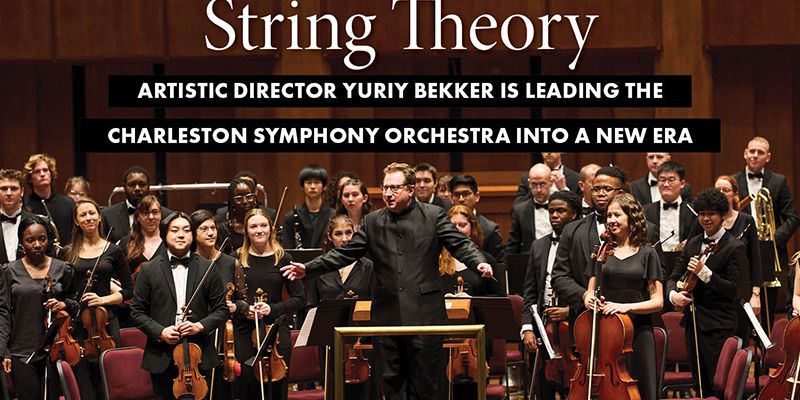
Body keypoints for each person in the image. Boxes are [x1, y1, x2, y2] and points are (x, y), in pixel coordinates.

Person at [281, 162, 493, 400]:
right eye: (385, 188)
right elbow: (344, 253)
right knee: (392, 386)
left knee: (425, 386)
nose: (388, 193)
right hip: (387, 315)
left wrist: (478, 261)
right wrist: (308, 268)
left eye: (395, 188)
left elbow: (460, 243)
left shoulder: (434, 215)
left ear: (410, 190)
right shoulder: (372, 221)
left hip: (425, 315)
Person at [551, 166, 660, 347]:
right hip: (586, 323)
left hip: (634, 324)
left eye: (607, 189)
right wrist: (584, 296)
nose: (600, 193)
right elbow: (559, 275)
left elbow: (658, 276)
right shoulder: (572, 230)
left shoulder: (648, 230)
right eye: (596, 189)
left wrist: (628, 302)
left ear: (621, 192)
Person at [130, 211, 228, 399]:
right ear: (164, 235)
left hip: (200, 355)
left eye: (186, 230)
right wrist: (161, 331)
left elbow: (222, 309)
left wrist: (199, 326)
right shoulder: (149, 269)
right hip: (162, 356)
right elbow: (137, 312)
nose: (181, 235)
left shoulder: (208, 268)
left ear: (193, 235)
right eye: (174, 230)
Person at [583, 193, 663, 400]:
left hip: (638, 331)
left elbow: (658, 301)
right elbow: (590, 289)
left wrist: (625, 307)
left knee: (643, 390)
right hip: (607, 331)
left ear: (631, 217)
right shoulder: (601, 251)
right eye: (609, 215)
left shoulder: (647, 253)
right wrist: (588, 298)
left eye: (617, 215)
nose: (611, 220)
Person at [667, 189, 746, 394]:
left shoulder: (734, 247)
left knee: (719, 384)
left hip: (719, 326)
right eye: (702, 214)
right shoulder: (693, 244)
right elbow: (673, 278)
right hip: (693, 324)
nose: (705, 218)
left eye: (711, 214)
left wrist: (705, 273)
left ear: (723, 215)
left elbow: (733, 290)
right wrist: (673, 295)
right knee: (699, 383)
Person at [230, 208, 304, 400]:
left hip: (276, 332)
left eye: (263, 225)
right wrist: (245, 309)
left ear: (271, 229)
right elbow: (228, 298)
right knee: (248, 387)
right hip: (245, 330)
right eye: (253, 226)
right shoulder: (235, 259)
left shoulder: (283, 258)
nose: (259, 230)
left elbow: (299, 298)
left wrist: (272, 308)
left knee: (277, 387)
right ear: (246, 231)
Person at [63, 197, 133, 400]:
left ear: (100, 216)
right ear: (76, 221)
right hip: (79, 326)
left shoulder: (113, 250)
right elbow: (64, 291)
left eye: (92, 213)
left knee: (110, 382)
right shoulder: (68, 252)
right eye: (83, 215)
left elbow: (129, 291)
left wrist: (103, 300)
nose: (88, 218)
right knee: (84, 384)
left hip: (107, 323)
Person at [1, 215, 75, 400]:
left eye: (42, 239)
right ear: (21, 242)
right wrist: (4, 350)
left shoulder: (64, 268)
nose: (37, 244)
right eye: (30, 240)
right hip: (21, 351)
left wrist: (64, 304)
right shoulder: (9, 271)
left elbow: (75, 302)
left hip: (56, 348)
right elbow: (4, 313)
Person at [520, 190, 581, 400]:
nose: (554, 215)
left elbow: (590, 287)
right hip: (543, 325)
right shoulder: (539, 245)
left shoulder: (582, 244)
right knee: (542, 385)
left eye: (561, 211)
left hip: (573, 328)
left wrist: (569, 311)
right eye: (551, 211)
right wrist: (527, 328)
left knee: (574, 386)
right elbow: (530, 291)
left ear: (574, 214)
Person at [306, 214, 375, 400]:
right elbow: (311, 306)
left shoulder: (368, 266)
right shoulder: (319, 267)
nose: (344, 239)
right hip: (330, 342)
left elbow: (375, 303)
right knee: (334, 390)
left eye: (348, 233)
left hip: (361, 342)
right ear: (330, 237)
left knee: (365, 391)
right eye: (338, 233)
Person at [731, 136, 800, 318]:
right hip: (742, 249)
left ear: (768, 157)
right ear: (745, 153)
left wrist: (772, 239)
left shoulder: (778, 181)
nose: (755, 155)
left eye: (760, 152)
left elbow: (793, 217)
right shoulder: (733, 181)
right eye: (752, 151)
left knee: (768, 308)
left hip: (770, 251)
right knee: (741, 304)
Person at [191, 209, 239, 400]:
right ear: (193, 232)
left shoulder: (230, 263)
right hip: (198, 331)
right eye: (204, 229)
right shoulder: (188, 262)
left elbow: (243, 300)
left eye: (213, 228)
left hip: (225, 335)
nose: (211, 233)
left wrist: (235, 306)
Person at [715, 175, 763, 338]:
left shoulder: (747, 220)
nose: (721, 193)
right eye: (718, 190)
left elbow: (755, 260)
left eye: (726, 190)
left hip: (741, 292)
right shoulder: (707, 220)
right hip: (714, 293)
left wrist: (756, 295)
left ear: (735, 195)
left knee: (740, 340)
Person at [643, 161, 698, 281]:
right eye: (662, 180)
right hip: (654, 263)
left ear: (682, 183)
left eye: (671, 180)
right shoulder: (645, 211)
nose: (666, 184)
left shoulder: (693, 211)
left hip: (683, 266)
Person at [439, 205, 502, 297]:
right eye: (452, 226)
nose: (457, 229)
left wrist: (472, 300)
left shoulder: (486, 261)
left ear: (472, 228)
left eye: (462, 225)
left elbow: (499, 297)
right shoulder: (435, 259)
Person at [102, 166, 171, 244]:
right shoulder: (107, 215)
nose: (137, 188)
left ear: (148, 186)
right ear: (124, 187)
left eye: (142, 184)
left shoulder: (167, 216)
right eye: (131, 185)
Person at [449, 175, 507, 264]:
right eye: (457, 195)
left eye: (465, 194)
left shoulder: (490, 229)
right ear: (451, 198)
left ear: (477, 196)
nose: (461, 199)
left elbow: (500, 265)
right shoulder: (443, 224)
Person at [23, 153, 75, 248]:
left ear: (51, 174)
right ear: (30, 178)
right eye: (37, 171)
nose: (42, 174)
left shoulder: (68, 203)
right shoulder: (24, 205)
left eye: (45, 170)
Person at [281, 165, 335, 249]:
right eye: (308, 182)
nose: (312, 186)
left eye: (317, 182)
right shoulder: (290, 217)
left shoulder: (334, 215)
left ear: (324, 186)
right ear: (302, 186)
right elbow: (287, 248)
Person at [508, 164, 553, 254]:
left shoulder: (561, 208)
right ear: (529, 183)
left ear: (551, 182)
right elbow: (513, 245)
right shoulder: (519, 211)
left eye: (542, 184)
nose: (538, 190)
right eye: (534, 184)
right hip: (529, 260)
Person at [217, 177, 263, 253]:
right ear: (231, 201)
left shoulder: (265, 226)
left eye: (249, 196)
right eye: (238, 198)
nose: (245, 201)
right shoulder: (223, 229)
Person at [514, 153, 580, 205]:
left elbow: (579, 210)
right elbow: (518, 207)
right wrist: (534, 187)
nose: (548, 152)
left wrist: (564, 189)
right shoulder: (527, 178)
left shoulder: (575, 178)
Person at [0, 169, 32, 264]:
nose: (9, 193)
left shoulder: (35, 222)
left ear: (22, 192)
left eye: (14, 188)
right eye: (4, 189)